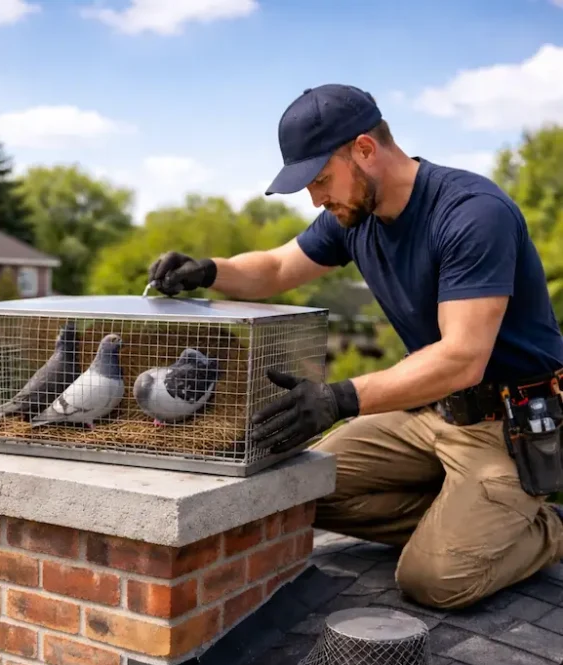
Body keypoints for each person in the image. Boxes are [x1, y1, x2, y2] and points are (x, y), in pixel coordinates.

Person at [146, 84, 563, 610]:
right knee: (298, 492)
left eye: (321, 180)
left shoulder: (472, 213)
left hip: (506, 426)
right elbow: (276, 268)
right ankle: (469, 518)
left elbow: (462, 357)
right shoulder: (354, 216)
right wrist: (209, 270)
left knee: (434, 579)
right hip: (427, 413)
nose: (316, 199)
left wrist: (338, 398)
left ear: (364, 150)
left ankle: (540, 525)